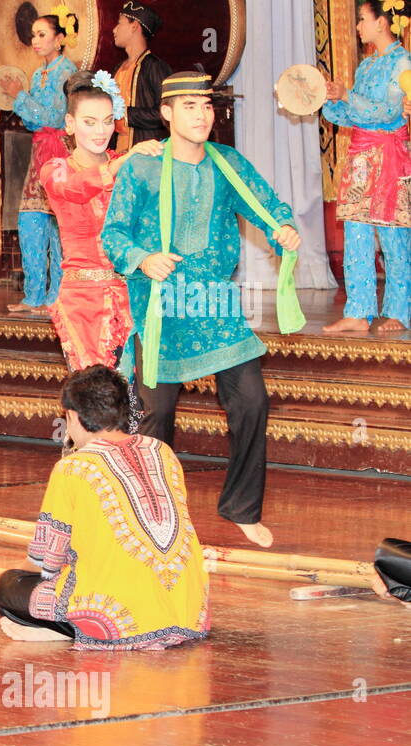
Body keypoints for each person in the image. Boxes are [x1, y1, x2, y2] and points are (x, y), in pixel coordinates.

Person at [101, 72, 303, 549]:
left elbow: (268, 207)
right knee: (157, 418)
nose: (201, 115)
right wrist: (143, 260)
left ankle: (241, 508)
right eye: (189, 106)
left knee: (252, 401)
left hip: (216, 306)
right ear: (167, 113)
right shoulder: (142, 168)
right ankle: (154, 518)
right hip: (161, 307)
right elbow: (113, 236)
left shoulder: (228, 163)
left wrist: (285, 229)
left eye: (207, 106)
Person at [0, 366, 209, 649]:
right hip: (189, 613)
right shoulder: (162, 451)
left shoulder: (73, 467)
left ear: (72, 417)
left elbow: (45, 566)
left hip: (114, 621)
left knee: (8, 587)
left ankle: (69, 631)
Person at [40, 70, 163, 371]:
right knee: (91, 402)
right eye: (89, 122)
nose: (100, 131)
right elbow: (76, 189)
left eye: (108, 121)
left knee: (133, 401)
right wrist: (122, 164)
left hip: (133, 295)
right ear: (70, 124)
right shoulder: (56, 169)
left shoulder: (127, 165)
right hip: (83, 302)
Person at [320, 0, 411, 334]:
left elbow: (386, 114)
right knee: (356, 233)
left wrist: (348, 97)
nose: (358, 27)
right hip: (361, 157)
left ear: (382, 22)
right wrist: (331, 99)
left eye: (362, 19)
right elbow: (354, 116)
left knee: (393, 236)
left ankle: (399, 311)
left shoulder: (403, 63)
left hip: (388, 157)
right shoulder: (366, 66)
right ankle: (359, 310)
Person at [0, 10, 76, 314]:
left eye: (42, 34)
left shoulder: (67, 71)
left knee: (58, 224)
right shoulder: (40, 73)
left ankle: (57, 297)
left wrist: (20, 98)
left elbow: (54, 117)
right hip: (40, 153)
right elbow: (32, 122)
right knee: (31, 222)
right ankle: (34, 295)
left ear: (60, 39)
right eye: (33, 35)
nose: (35, 40)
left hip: (61, 153)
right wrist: (22, 101)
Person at [110, 1, 173, 153]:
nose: (114, 30)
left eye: (119, 23)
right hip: (118, 150)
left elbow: (167, 112)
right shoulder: (118, 68)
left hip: (146, 155)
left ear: (134, 26)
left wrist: (126, 113)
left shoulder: (154, 66)